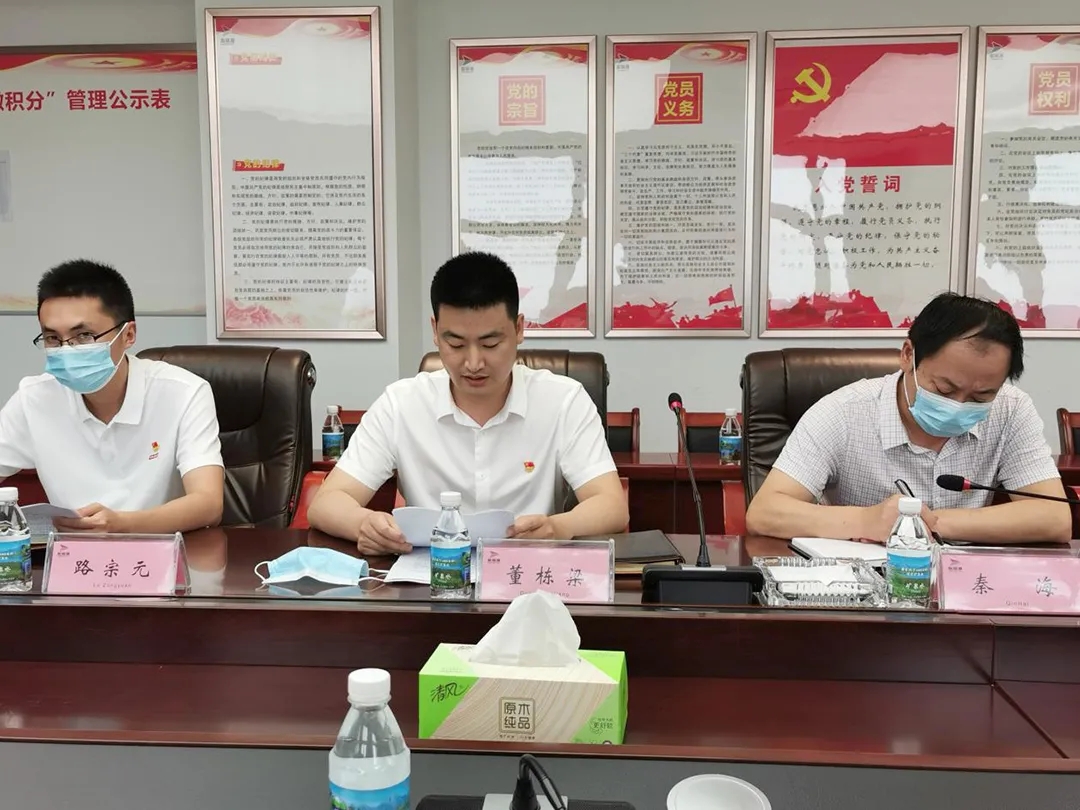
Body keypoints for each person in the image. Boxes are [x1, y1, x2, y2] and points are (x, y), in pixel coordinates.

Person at [309, 252, 629, 554]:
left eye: (490, 344)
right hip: (431, 577)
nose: (474, 363)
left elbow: (612, 505)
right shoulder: (401, 404)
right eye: (456, 344)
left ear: (519, 329)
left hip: (527, 576)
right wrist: (364, 525)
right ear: (435, 331)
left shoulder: (563, 401)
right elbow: (327, 502)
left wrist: (559, 527)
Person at [745, 292, 1071, 544]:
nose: (958, 405)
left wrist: (923, 522)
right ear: (907, 355)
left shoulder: (1011, 409)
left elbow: (1054, 518)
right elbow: (765, 512)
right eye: (944, 389)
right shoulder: (842, 412)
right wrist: (868, 522)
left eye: (980, 396)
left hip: (964, 587)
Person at [0, 260, 224, 533]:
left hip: (163, 551)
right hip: (73, 554)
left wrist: (121, 525)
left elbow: (208, 503)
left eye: (84, 335)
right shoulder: (34, 398)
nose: (66, 350)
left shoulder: (184, 392)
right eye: (53, 339)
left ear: (128, 334)